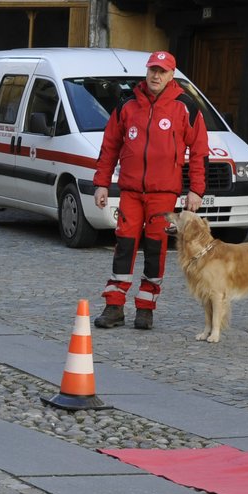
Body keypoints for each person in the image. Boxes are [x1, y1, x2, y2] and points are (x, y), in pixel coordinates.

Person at [90, 51, 207, 331]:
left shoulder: (185, 107)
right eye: (152, 70)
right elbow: (109, 147)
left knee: (155, 249)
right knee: (124, 246)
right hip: (130, 190)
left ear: (171, 75)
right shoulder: (128, 104)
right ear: (146, 72)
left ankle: (146, 308)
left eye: (162, 71)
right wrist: (101, 183)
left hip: (164, 194)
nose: (156, 75)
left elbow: (200, 151)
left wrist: (196, 190)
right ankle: (114, 306)